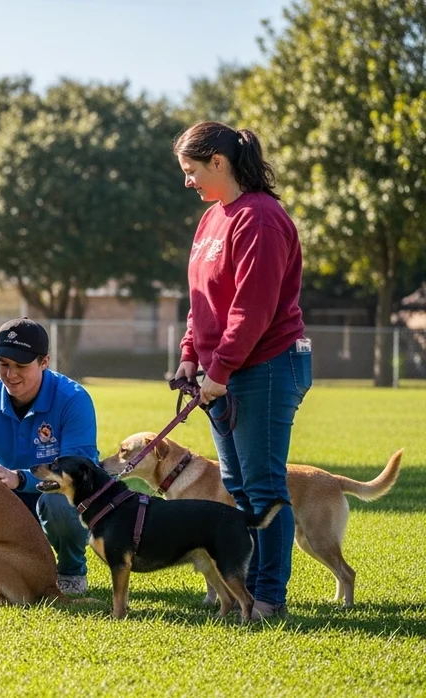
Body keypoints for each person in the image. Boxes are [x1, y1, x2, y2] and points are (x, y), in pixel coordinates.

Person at [173, 121, 310, 620]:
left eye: (191, 171)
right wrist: (191, 353)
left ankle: (269, 598)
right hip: (222, 370)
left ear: (218, 162)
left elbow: (253, 310)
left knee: (264, 485)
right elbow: (202, 302)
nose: (187, 181)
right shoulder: (212, 219)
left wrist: (221, 369)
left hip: (266, 364)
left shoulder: (261, 218)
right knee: (237, 485)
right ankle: (247, 590)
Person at [0, 317, 96, 595]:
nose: (10, 374)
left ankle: (71, 571)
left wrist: (20, 478)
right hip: (9, 497)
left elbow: (78, 472)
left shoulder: (73, 399)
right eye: (4, 364)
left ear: (44, 362)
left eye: (21, 366)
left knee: (56, 504)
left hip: (61, 495)